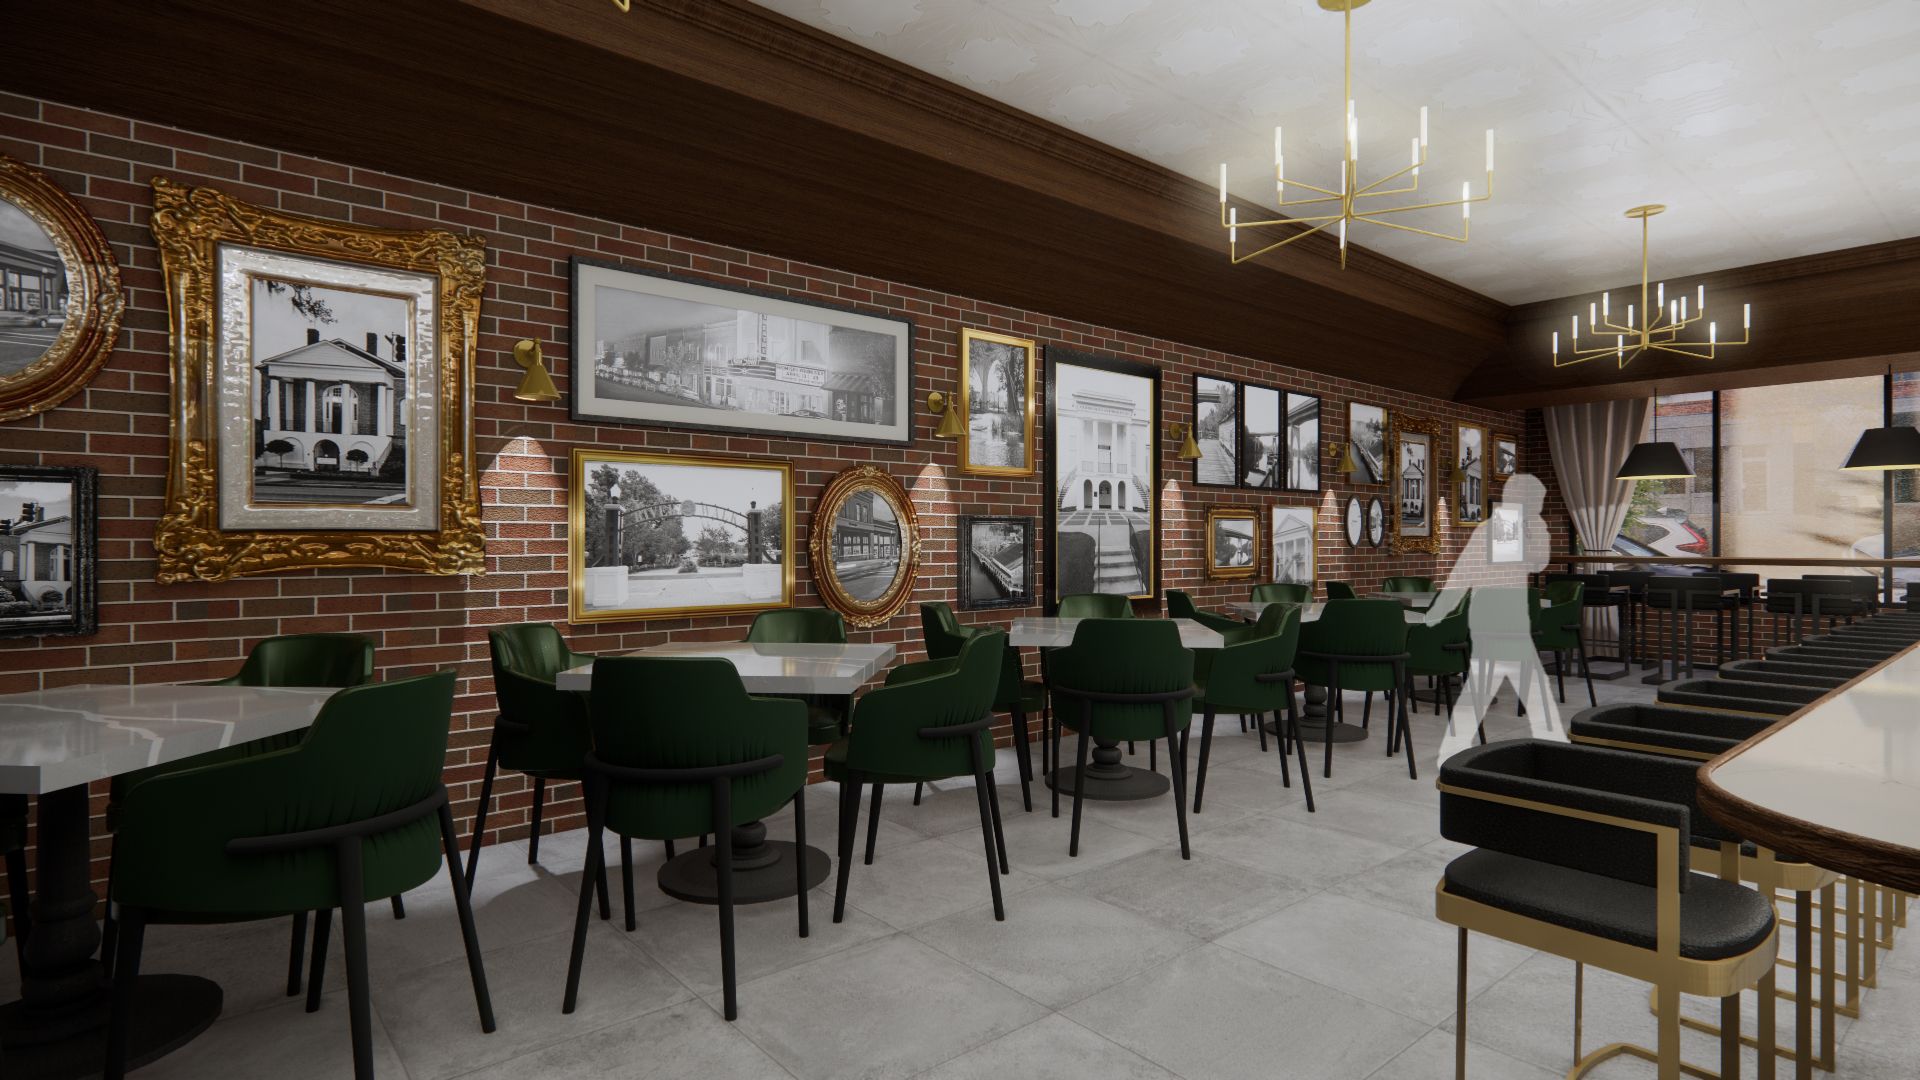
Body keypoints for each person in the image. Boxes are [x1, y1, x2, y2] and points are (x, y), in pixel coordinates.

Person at [1427, 473, 1565, 765]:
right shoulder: (1498, 530)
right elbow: (1469, 573)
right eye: (1535, 502)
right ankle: (1557, 750)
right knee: (1516, 686)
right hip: (1495, 617)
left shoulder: (1512, 528)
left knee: (1487, 686)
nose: (1538, 509)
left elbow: (1536, 563)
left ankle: (1451, 751)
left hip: (1503, 617)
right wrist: (1439, 612)